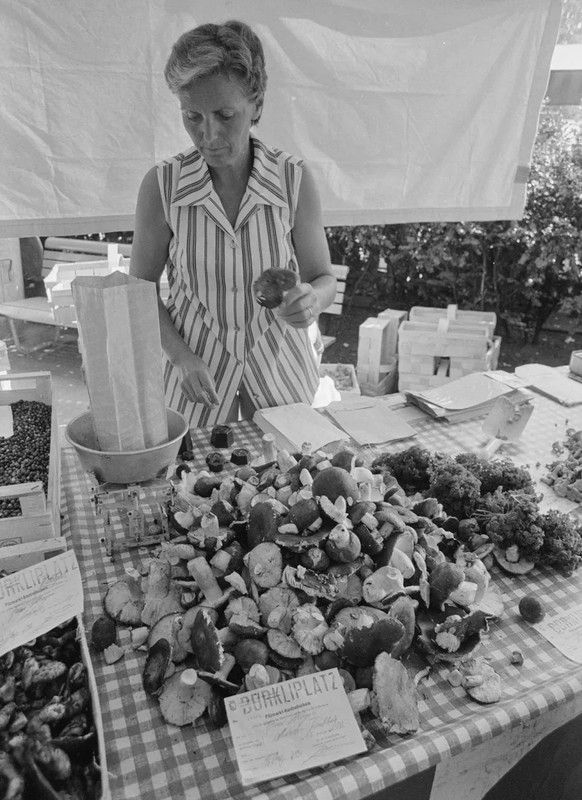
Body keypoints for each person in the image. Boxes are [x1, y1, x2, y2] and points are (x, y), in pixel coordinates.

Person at [130, 19, 337, 427]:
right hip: (195, 386)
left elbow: (322, 276)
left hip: (283, 378)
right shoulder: (162, 187)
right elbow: (140, 292)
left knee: (291, 482)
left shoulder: (293, 179)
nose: (209, 135)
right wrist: (181, 357)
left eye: (225, 115)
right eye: (192, 117)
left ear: (257, 104)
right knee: (194, 487)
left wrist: (312, 298)